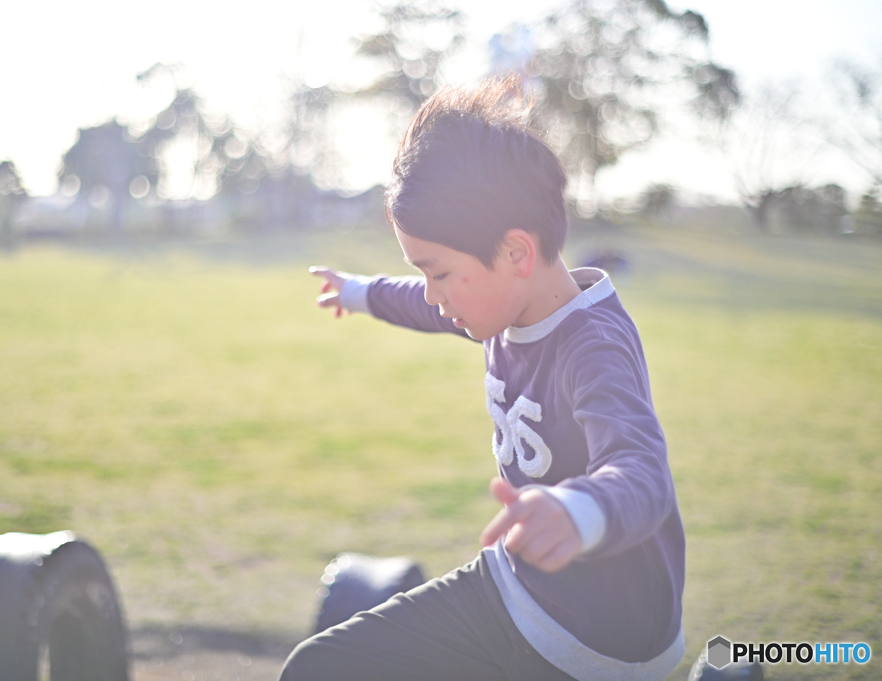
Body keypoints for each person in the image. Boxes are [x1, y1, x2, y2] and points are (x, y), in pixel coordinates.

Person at [280, 75, 685, 681]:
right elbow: (422, 304)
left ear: (517, 253)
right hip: (518, 589)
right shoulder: (503, 304)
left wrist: (577, 511)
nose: (433, 293)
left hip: (602, 637)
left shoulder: (591, 345)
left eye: (438, 272)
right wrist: (361, 292)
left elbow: (643, 474)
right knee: (319, 667)